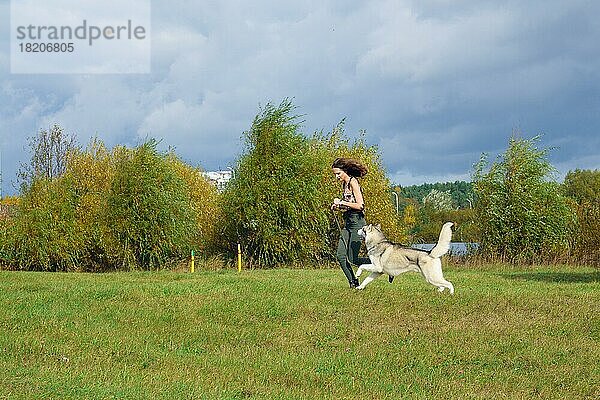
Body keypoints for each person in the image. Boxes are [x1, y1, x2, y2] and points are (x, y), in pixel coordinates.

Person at [331, 157, 370, 288]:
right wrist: (338, 207)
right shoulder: (344, 184)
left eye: (338, 173)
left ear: (345, 170)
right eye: (335, 174)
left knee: (353, 258)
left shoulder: (353, 182)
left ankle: (383, 265)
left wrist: (341, 202)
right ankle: (353, 282)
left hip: (358, 223)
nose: (336, 177)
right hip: (347, 223)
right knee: (340, 255)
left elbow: (360, 205)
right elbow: (349, 205)